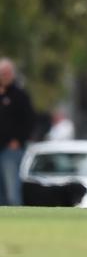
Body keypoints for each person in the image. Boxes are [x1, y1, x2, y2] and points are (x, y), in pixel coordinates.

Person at [0, 57, 36, 206]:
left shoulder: (20, 95)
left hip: (11, 149)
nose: (4, 76)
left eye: (6, 73)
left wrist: (18, 140)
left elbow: (29, 121)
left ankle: (16, 218)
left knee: (11, 188)